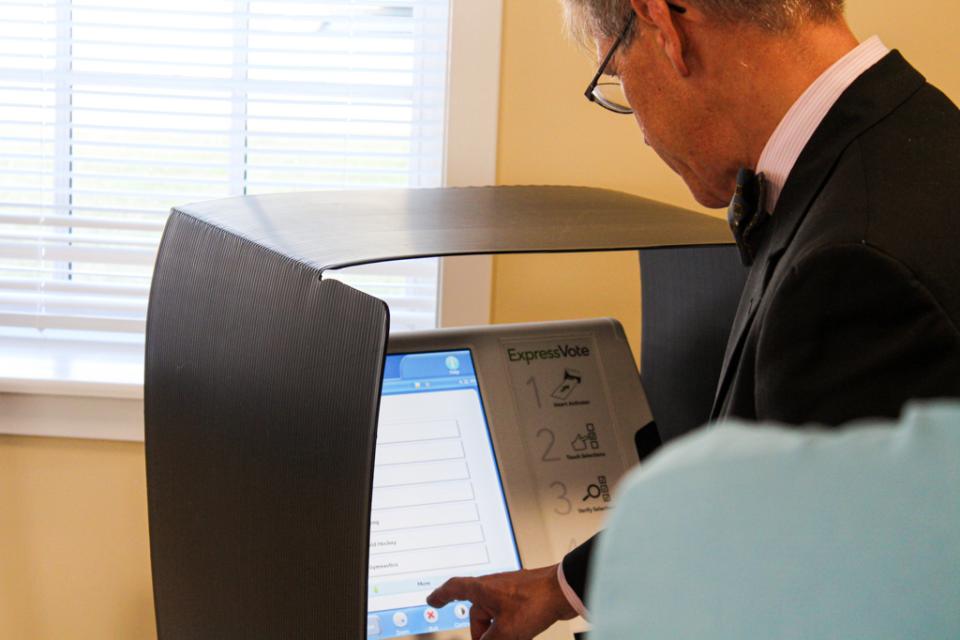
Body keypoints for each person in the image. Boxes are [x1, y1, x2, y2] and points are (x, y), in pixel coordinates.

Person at [427, 0, 960, 638]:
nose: (643, 131)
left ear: (665, 27)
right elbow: (775, 497)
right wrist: (564, 585)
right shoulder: (914, 144)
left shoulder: (852, 264)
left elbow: (807, 599)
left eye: (617, 76)